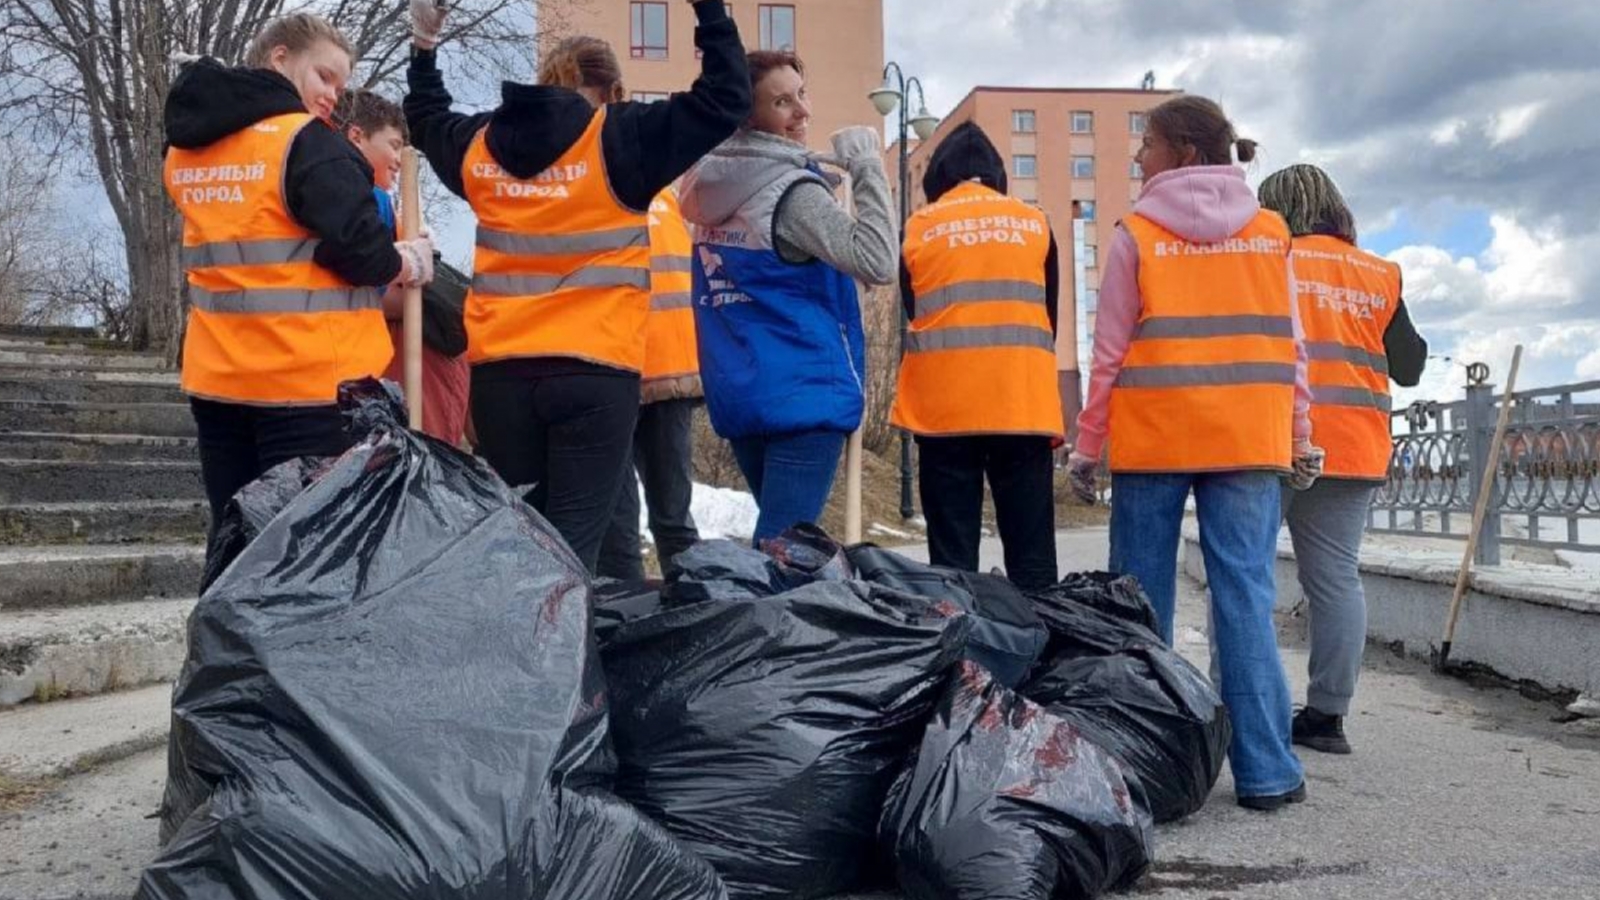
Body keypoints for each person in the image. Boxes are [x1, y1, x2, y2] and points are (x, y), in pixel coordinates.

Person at [403, 0, 749, 573]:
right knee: (574, 555)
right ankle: (572, 632)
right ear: (611, 90)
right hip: (593, 372)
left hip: (500, 378)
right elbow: (726, 96)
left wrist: (424, 45)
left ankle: (528, 631)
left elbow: (425, 116)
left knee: (526, 551)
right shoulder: (619, 138)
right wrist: (709, 10)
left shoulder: (482, 145)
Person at [1067, 95, 1322, 812]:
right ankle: (1267, 772)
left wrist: (1088, 447)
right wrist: (1300, 434)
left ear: (1180, 151)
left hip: (1155, 439)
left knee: (1139, 608)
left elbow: (1109, 354)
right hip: (1248, 439)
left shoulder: (1138, 234)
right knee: (1245, 601)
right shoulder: (1270, 233)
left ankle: (1143, 771)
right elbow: (1293, 348)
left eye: (1145, 145)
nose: (1138, 158)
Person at [164, 13, 435, 560]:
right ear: (280, 58)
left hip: (220, 382)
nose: (333, 95)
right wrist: (408, 261)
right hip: (308, 387)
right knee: (308, 558)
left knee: (235, 544)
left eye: (340, 83)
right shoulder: (305, 142)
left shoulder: (186, 149)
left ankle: (224, 620)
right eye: (324, 76)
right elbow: (361, 251)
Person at [679, 50, 897, 544]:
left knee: (781, 545)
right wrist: (867, 165)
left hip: (741, 392)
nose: (803, 111)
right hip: (804, 392)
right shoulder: (793, 193)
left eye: (801, 94)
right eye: (782, 102)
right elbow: (879, 260)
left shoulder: (709, 191)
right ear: (747, 116)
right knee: (783, 555)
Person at [1258, 163, 1428, 754]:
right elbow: (1410, 367)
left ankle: (1245, 709)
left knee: (1247, 578)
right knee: (1335, 581)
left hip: (1273, 442)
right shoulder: (1379, 273)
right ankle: (1327, 717)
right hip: (1354, 446)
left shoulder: (1268, 258)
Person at [888, 121, 1063, 591]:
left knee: (952, 562)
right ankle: (1039, 634)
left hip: (943, 414)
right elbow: (1048, 316)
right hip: (1022, 405)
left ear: (936, 181)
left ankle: (962, 636)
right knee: (1033, 560)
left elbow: (916, 309)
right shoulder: (1035, 223)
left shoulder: (918, 228)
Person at [332, 88, 472, 446]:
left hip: (404, 366)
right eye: (393, 145)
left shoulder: (375, 202)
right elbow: (370, 292)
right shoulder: (365, 200)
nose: (398, 159)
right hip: (391, 367)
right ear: (356, 136)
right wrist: (419, 281)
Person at [597, 187, 705, 580]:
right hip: (656, 369)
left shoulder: (594, 190)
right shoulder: (667, 194)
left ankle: (630, 603)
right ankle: (689, 600)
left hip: (621, 368)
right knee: (666, 516)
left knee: (624, 521)